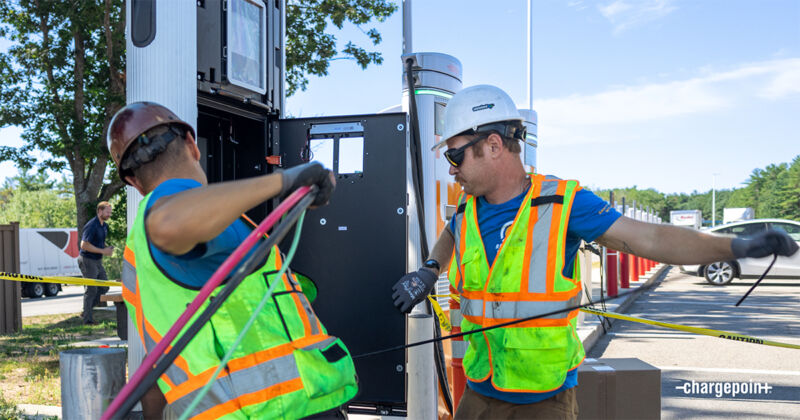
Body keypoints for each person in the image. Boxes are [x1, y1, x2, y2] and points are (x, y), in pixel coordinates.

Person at [391, 85, 799, 419]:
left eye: (455, 154)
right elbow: (453, 232)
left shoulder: (563, 204)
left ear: (493, 145)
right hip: (479, 392)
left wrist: (735, 246)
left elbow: (652, 239)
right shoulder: (468, 204)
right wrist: (429, 269)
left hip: (543, 401)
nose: (451, 168)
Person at [107, 102, 357, 419]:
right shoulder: (178, 213)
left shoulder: (138, 257)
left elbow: (158, 360)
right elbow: (169, 223)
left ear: (133, 182)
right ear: (191, 145)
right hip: (277, 409)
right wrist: (284, 181)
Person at [79, 201, 114, 325]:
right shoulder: (92, 225)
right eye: (107, 212)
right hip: (87, 260)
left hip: (97, 260)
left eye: (110, 212)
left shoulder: (104, 226)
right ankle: (87, 320)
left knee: (104, 286)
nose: (109, 214)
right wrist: (103, 251)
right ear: (99, 211)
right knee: (91, 290)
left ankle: (86, 310)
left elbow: (98, 244)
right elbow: (84, 245)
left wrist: (106, 248)